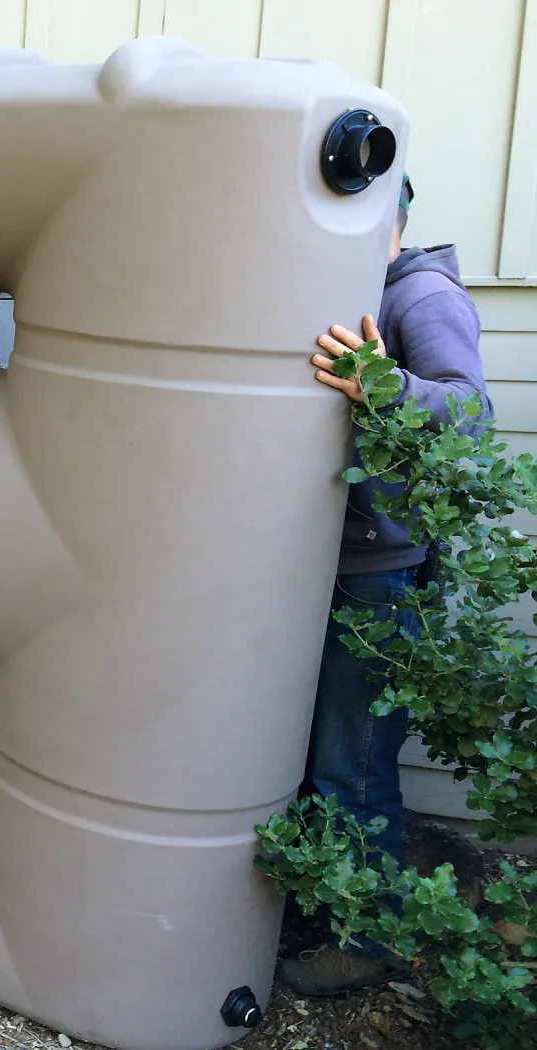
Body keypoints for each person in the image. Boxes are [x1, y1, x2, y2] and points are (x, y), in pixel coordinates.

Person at [279, 177, 490, 995]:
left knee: (352, 763)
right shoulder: (345, 288)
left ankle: (363, 944)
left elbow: (471, 411)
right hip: (319, 565)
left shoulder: (421, 292)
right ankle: (319, 904)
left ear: (383, 220)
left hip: (379, 581)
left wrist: (385, 385)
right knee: (308, 757)